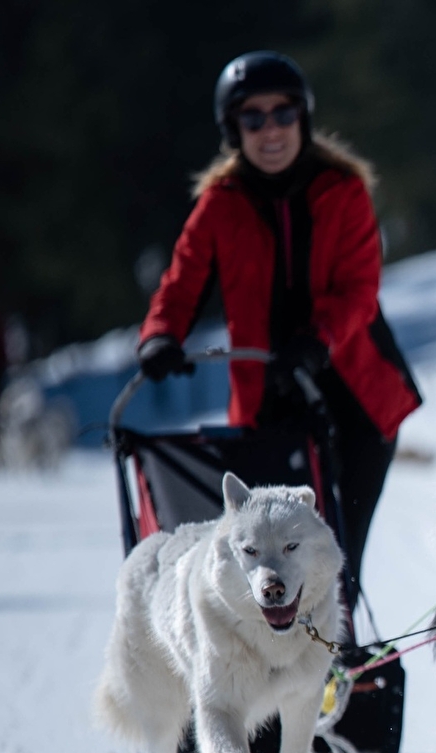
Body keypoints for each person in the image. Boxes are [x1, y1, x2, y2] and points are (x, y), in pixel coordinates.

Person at [137, 51, 420, 617]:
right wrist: (160, 336)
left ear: (303, 118)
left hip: (356, 400)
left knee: (336, 558)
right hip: (270, 403)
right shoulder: (220, 205)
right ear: (233, 129)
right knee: (276, 557)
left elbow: (360, 288)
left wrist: (318, 338)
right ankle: (279, 661)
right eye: (253, 118)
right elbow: (182, 282)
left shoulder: (342, 190)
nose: (270, 130)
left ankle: (339, 655)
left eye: (283, 114)